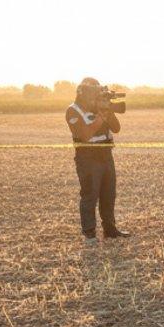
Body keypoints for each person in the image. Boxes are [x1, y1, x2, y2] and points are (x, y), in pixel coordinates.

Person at [66, 77, 128, 244]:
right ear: (83, 94)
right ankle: (89, 233)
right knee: (90, 195)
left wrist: (108, 110)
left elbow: (116, 128)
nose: (95, 97)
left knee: (109, 194)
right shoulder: (73, 110)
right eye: (93, 93)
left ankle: (110, 229)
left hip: (106, 154)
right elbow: (85, 135)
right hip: (88, 156)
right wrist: (100, 116)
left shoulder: (100, 107)